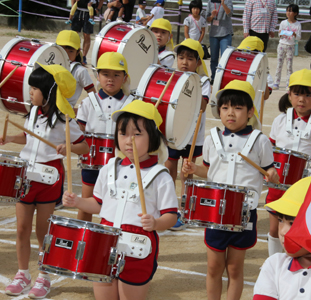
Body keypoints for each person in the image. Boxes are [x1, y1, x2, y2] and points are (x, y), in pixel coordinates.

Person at [63, 100, 178, 300]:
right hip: (103, 240)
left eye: (137, 134)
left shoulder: (161, 175)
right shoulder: (109, 168)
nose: (128, 140)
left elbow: (171, 216)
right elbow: (99, 205)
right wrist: (78, 202)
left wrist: (156, 223)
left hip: (138, 245)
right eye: (123, 133)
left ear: (153, 137)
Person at [182, 80, 279, 300]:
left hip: (244, 213)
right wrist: (193, 168)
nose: (230, 113)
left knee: (235, 268)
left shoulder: (260, 141)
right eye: (225, 108)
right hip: (214, 212)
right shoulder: (211, 139)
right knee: (214, 267)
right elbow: (209, 171)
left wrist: (273, 175)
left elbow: (270, 171)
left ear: (250, 112)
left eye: (237, 107)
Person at [1, 64, 89, 298]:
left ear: (49, 91)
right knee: (21, 229)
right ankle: (22, 274)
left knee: (43, 231)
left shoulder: (65, 120)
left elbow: (85, 146)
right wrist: (8, 138)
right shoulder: (32, 112)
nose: (30, 92)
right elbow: (28, 137)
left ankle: (43, 276)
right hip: (25, 176)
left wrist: (68, 146)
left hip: (49, 178)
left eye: (34, 88)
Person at [266, 69, 311, 257]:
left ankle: (302, 259)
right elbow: (270, 151)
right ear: (289, 95)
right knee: (274, 230)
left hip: (304, 186)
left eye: (307, 94)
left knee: (300, 228)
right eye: (297, 93)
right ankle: (274, 262)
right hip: (278, 183)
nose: (301, 99)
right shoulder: (279, 120)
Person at [76, 52, 134, 222]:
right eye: (105, 74)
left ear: (125, 78)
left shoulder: (131, 104)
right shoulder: (88, 101)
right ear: (97, 76)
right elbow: (80, 131)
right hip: (91, 162)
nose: (111, 79)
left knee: (116, 206)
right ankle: (83, 239)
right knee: (86, 204)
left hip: (120, 164)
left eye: (117, 75)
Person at [166, 39, 210, 230]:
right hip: (172, 131)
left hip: (191, 134)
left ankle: (185, 210)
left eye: (190, 59)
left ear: (198, 62)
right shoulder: (171, 76)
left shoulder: (203, 81)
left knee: (187, 171)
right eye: (181, 57)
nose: (184, 62)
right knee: (169, 170)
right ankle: (167, 208)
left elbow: (202, 105)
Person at [56, 30, 96, 109]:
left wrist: (81, 111)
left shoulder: (80, 71)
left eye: (70, 51)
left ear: (77, 52)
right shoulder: (47, 64)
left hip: (64, 117)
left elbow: (93, 96)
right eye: (62, 50)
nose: (66, 54)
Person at [272, 4, 301, 91]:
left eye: (290, 11)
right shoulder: (283, 23)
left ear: (295, 13)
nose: (288, 13)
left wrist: (294, 34)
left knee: (289, 66)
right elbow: (279, 34)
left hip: (291, 46)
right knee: (279, 64)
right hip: (282, 45)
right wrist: (281, 33)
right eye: (287, 11)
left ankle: (288, 83)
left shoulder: (298, 24)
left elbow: (299, 38)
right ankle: (276, 82)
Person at [206, 0, 233, 84]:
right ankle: (214, 77)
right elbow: (207, 19)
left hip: (225, 33)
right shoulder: (210, 2)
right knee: (214, 58)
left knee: (225, 58)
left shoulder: (227, 1)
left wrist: (223, 4)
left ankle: (224, 78)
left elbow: (230, 14)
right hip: (214, 34)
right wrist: (212, 16)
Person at [68, 0, 101, 66]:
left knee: (86, 35)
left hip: (88, 13)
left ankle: (84, 57)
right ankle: (72, 55)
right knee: (74, 34)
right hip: (78, 11)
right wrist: (73, 8)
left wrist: (98, 9)